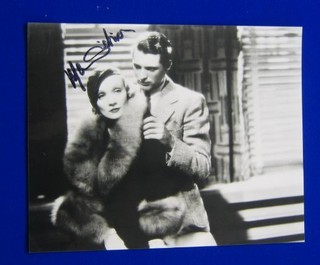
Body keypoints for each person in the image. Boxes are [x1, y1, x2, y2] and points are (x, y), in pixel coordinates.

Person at [131, 31, 217, 247]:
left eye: (151, 68)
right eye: (137, 66)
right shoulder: (122, 100)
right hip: (134, 221)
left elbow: (203, 168)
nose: (141, 75)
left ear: (167, 65)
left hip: (184, 222)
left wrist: (170, 141)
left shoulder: (190, 102)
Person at [51, 66, 149, 250]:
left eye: (117, 91)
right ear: (95, 104)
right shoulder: (88, 144)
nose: (111, 101)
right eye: (101, 95)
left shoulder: (147, 131)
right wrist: (108, 235)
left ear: (127, 93)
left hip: (144, 227)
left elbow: (163, 189)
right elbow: (81, 203)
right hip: (109, 230)